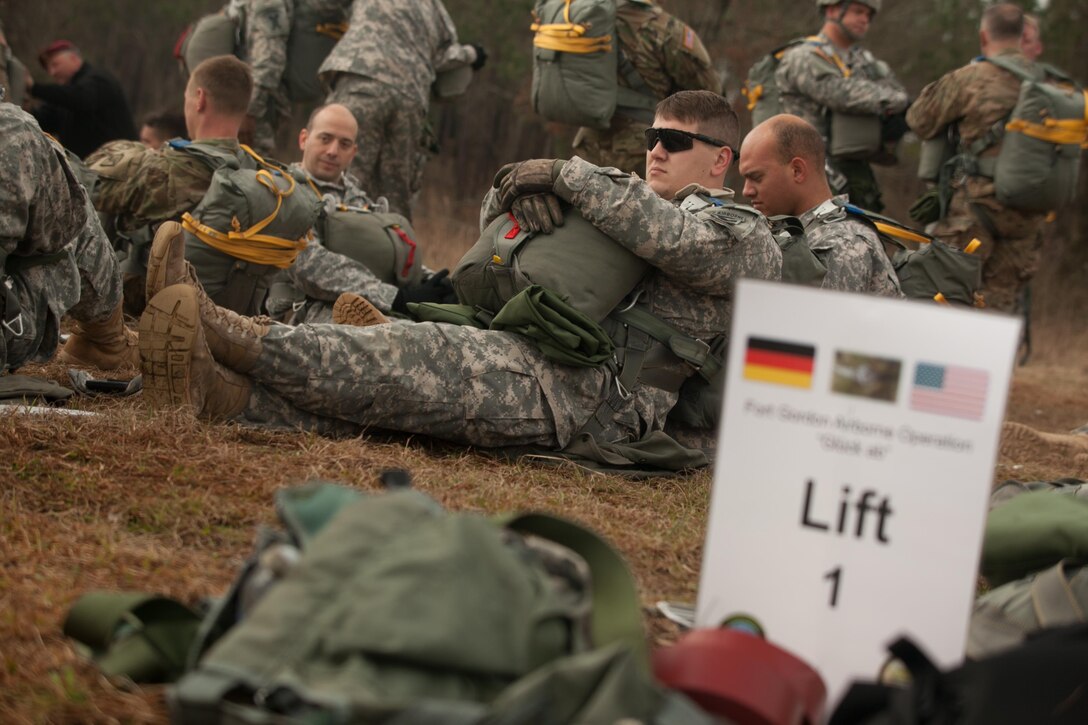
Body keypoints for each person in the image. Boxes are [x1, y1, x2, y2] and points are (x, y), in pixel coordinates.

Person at [137, 91, 781, 459]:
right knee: (400, 406)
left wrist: (568, 175)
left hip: (596, 398)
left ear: (721, 160)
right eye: (652, 135)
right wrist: (516, 198)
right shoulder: (623, 205)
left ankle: (228, 332)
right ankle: (221, 391)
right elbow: (495, 239)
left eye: (675, 140)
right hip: (539, 357)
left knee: (407, 355)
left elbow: (679, 245)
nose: (656, 149)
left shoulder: (747, 239)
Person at [906, 3, 1047, 313]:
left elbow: (919, 119)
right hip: (1027, 217)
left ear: (984, 36)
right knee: (997, 315)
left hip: (973, 213)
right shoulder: (1051, 84)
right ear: (1023, 36)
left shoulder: (970, 78)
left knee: (946, 305)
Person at [259, 102, 453, 323]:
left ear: (353, 152)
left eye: (344, 144)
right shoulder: (283, 192)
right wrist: (395, 297)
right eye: (325, 139)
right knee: (401, 336)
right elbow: (308, 265)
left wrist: (431, 283)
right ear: (304, 139)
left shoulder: (360, 201)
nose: (333, 151)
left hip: (370, 306)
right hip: (303, 313)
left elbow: (392, 253)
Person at [87, 55, 254, 311]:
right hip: (235, 317)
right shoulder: (258, 175)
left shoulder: (159, 169)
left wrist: (131, 152)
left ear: (200, 99)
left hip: (152, 313)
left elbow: (77, 185)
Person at [0, 102, 137, 373]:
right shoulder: (11, 126)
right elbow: (62, 225)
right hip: (9, 337)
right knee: (73, 216)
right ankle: (105, 342)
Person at [318, 0, 484, 218]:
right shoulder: (435, 10)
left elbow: (323, 7)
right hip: (410, 96)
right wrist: (473, 53)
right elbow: (445, 57)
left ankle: (323, 244)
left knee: (341, 179)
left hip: (361, 81)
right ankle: (392, 245)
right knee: (395, 196)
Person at [740, 114, 900, 296]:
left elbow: (824, 323)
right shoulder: (803, 234)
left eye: (756, 178)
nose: (747, 191)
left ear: (797, 170)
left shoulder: (838, 243)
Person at [775, 0, 908, 213]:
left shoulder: (866, 62)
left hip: (852, 169)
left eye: (868, 15)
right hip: (805, 169)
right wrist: (891, 102)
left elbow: (899, 92)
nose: (864, 19)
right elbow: (838, 93)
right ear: (832, 9)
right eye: (858, 11)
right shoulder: (803, 56)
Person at [570, 0, 720, 177]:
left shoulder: (583, 21)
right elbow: (710, 94)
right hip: (645, 148)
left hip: (589, 146)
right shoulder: (665, 28)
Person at [26, 40, 137, 158]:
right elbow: (45, 121)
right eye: (48, 68)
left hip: (118, 165)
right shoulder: (64, 97)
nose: (52, 72)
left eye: (55, 65)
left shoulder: (100, 80)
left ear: (73, 58)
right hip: (87, 168)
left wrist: (34, 88)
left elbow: (81, 99)